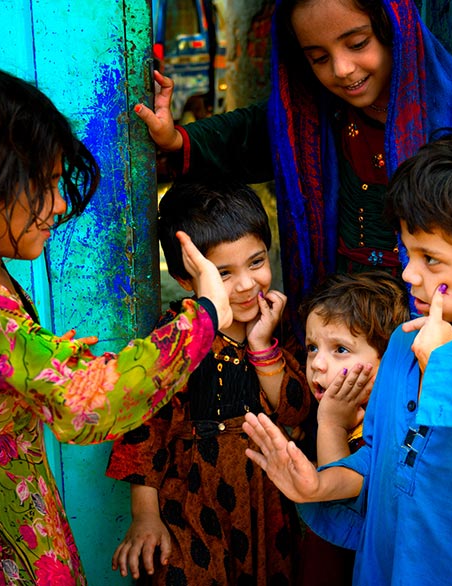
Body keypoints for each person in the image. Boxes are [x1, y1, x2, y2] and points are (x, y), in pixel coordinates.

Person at [0, 56, 232, 585]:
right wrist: (204, 317)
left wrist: (41, 354)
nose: (59, 205)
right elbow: (86, 405)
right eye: (46, 185)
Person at [242, 121, 452, 584]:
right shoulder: (406, 340)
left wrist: (451, 361)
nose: (410, 275)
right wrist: (319, 484)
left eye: (432, 260)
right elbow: (384, 456)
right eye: (408, 254)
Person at [134, 0, 452, 331]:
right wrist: (175, 138)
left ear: (395, 30)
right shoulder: (311, 116)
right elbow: (248, 136)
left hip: (443, 330)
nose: (342, 69)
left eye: (357, 44)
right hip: (343, 324)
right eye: (318, 57)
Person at [106, 181, 311, 585]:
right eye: (224, 274)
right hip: (192, 504)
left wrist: (262, 346)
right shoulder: (180, 339)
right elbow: (145, 432)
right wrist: (145, 517)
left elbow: (296, 408)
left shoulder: (274, 325)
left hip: (264, 503)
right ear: (186, 279)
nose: (248, 284)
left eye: (256, 262)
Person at [295, 271, 410, 585]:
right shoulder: (327, 412)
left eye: (340, 350)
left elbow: (338, 504)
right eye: (312, 347)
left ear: (387, 362)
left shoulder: (391, 427)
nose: (318, 363)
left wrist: (331, 425)